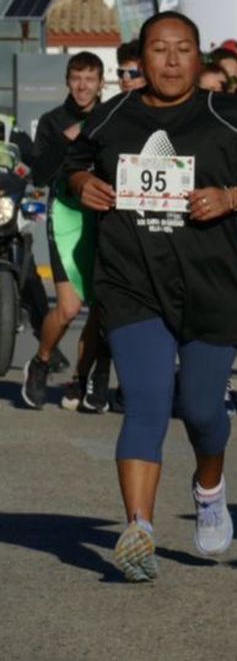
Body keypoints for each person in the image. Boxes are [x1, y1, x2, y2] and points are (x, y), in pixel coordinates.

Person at [64, 11, 237, 581]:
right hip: (132, 280)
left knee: (202, 409)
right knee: (145, 403)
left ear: (199, 57)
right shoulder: (112, 114)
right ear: (141, 58)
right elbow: (72, 165)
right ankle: (138, 529)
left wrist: (231, 197)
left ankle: (209, 486)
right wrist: (83, 185)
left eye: (182, 49)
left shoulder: (231, 117)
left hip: (212, 284)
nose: (170, 60)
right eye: (159, 50)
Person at [22, 51, 107, 410]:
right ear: (68, 82)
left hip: (106, 216)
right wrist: (66, 139)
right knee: (70, 308)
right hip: (68, 215)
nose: (83, 86)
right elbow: (40, 175)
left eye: (90, 78)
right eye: (77, 78)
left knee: (103, 308)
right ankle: (41, 361)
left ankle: (82, 377)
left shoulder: (113, 116)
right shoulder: (53, 120)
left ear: (102, 83)